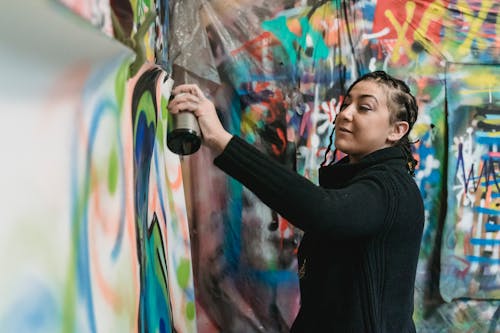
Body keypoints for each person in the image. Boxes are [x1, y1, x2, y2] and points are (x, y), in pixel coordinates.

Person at [168, 70, 424, 332]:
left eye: (365, 107)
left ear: (396, 130)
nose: (345, 114)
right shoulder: (355, 183)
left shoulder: (392, 189)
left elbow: (322, 211)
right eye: (346, 103)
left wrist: (222, 141)